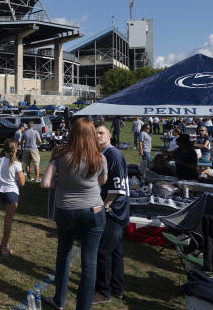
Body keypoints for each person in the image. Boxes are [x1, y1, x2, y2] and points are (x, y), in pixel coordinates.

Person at [41, 118, 108, 310]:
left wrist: (61, 183)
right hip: (94, 210)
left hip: (66, 211)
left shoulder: (60, 154)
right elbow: (103, 181)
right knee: (90, 261)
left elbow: (45, 184)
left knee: (64, 254)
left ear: (72, 133)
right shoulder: (100, 157)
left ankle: (59, 301)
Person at [94, 125, 130, 304]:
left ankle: (103, 291)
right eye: (95, 133)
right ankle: (117, 287)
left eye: (101, 133)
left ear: (109, 135)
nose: (98, 135)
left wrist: (105, 206)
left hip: (113, 210)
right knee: (115, 251)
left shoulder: (112, 154)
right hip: (115, 209)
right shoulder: (103, 154)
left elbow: (117, 186)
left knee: (103, 251)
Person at [0, 139, 25, 256]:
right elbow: (22, 183)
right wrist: (20, 176)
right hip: (11, 193)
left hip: (1, 192)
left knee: (7, 219)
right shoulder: (17, 164)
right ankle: (4, 248)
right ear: (15, 150)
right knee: (8, 220)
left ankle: (4, 243)